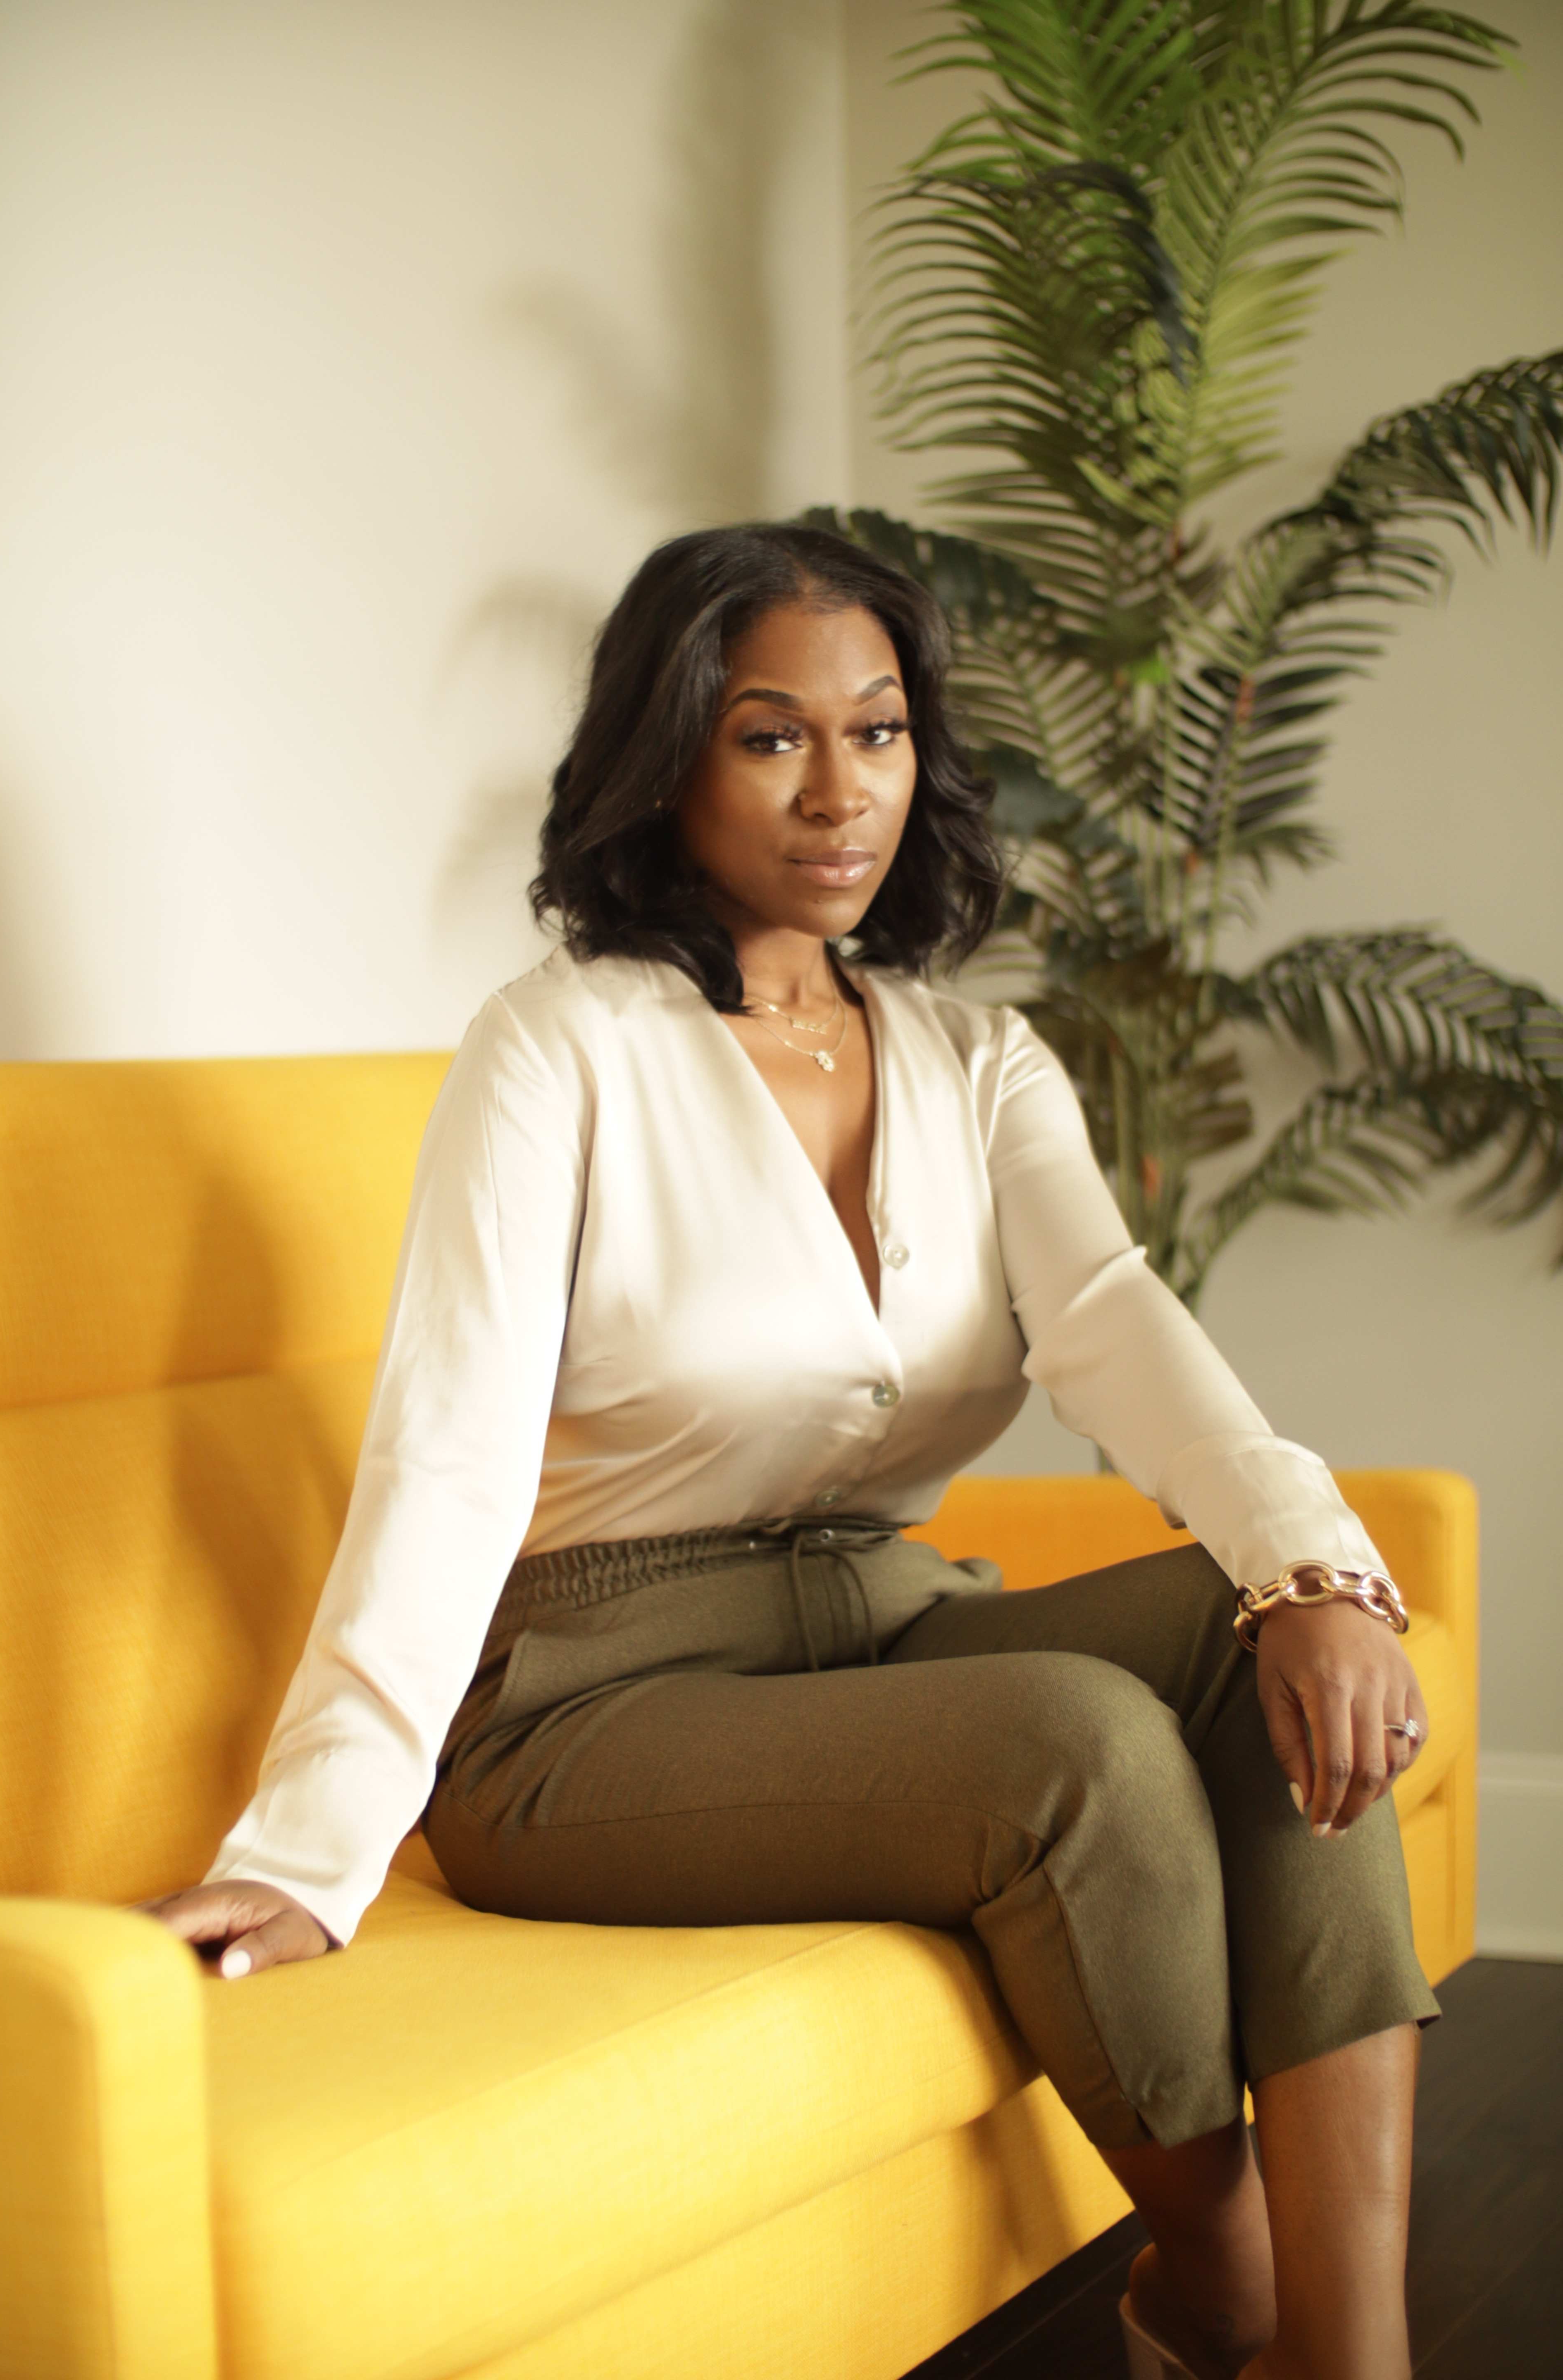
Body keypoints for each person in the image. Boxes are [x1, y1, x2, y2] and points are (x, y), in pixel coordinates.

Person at [136, 523, 1437, 2380]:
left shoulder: (982, 1066)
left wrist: (1303, 1562)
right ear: (665, 759)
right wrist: (315, 1844)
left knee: (1275, 1642)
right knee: (1078, 1744)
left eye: (881, 730)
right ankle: (1218, 2275)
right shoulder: (558, 1051)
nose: (842, 791)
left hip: (880, 1625)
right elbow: (450, 1450)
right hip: (590, 1703)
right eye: (771, 737)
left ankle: (1357, 2354)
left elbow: (1118, 1329)